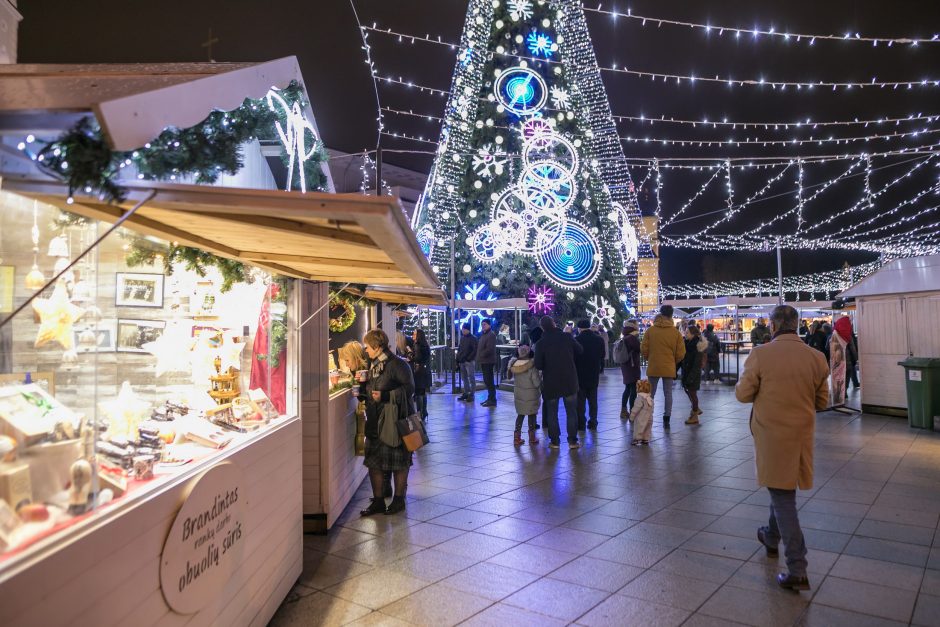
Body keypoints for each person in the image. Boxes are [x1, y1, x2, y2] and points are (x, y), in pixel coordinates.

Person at [735, 305, 829, 591]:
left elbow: (743, 394)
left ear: (773, 327)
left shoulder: (761, 355)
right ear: (797, 325)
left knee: (783, 496)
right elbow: (822, 402)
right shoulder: (816, 357)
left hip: (771, 436)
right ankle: (770, 536)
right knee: (782, 488)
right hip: (800, 436)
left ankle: (798, 567)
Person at [360, 329, 417, 517]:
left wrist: (385, 396)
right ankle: (378, 501)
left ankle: (399, 499)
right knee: (374, 462)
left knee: (399, 463)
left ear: (377, 347)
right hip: (375, 420)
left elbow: (409, 389)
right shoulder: (373, 364)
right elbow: (371, 387)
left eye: (367, 347)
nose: (365, 350)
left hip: (395, 422)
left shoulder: (398, 365)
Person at [533, 316, 584, 449]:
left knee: (552, 412)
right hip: (569, 380)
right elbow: (580, 351)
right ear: (554, 324)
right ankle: (572, 441)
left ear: (542, 328)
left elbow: (538, 364)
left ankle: (555, 441)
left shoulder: (540, 343)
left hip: (551, 382)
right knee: (571, 411)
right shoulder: (567, 337)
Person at [640, 304, 686, 429]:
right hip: (669, 366)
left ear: (660, 313)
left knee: (650, 393)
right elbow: (681, 353)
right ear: (671, 315)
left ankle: (648, 416)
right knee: (668, 394)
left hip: (654, 365)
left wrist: (649, 358)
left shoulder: (650, 330)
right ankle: (666, 419)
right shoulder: (675, 333)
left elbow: (644, 348)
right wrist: (673, 361)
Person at [574, 320, 605, 430]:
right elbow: (602, 355)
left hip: (580, 374)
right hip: (593, 373)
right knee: (593, 400)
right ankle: (593, 421)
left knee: (580, 401)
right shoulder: (598, 339)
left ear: (579, 328)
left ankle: (581, 423)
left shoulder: (576, 340)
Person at [507, 344, 540, 446]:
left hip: (519, 395)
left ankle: (517, 438)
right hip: (531, 395)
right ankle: (532, 437)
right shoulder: (532, 366)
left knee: (520, 415)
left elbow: (509, 377)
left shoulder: (514, 364)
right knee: (532, 415)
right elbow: (536, 382)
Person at [614, 321, 642, 419]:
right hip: (632, 366)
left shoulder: (625, 336)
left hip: (626, 366)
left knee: (627, 388)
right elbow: (640, 348)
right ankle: (632, 412)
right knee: (633, 389)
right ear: (633, 327)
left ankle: (623, 410)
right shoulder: (632, 338)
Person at [681, 325, 708, 425]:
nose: (685, 334)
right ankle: (695, 409)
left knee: (692, 392)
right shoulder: (688, 343)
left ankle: (694, 413)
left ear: (693, 334)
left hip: (693, 373)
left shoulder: (697, 345)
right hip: (688, 371)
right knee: (689, 391)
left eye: (687, 332)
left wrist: (691, 377)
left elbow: (696, 364)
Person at [833, 316, 860, 388]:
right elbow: (853, 349)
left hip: (836, 362)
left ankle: (839, 393)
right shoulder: (848, 336)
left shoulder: (833, 336)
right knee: (847, 377)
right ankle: (845, 393)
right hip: (848, 362)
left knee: (839, 378)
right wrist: (855, 359)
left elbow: (827, 347)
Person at [411, 328, 432, 420]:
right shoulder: (425, 345)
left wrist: (410, 355)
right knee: (423, 392)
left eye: (415, 334)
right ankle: (424, 411)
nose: (413, 335)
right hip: (426, 370)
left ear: (418, 336)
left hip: (419, 371)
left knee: (418, 392)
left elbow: (417, 358)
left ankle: (420, 413)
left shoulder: (417, 345)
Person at [477, 319, 498, 407]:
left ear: (489, 325)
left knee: (489, 380)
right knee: (487, 380)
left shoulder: (491, 335)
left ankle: (492, 399)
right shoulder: (484, 334)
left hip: (488, 361)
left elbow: (489, 349)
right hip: (484, 360)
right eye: (482, 324)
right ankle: (490, 398)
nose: (483, 326)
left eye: (484, 324)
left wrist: (481, 354)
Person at [455, 323, 477, 402]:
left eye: (464, 329)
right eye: (462, 329)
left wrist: (468, 359)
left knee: (471, 377)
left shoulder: (473, 338)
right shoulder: (462, 338)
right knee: (464, 378)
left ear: (468, 330)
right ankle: (466, 392)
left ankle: (472, 394)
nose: (463, 330)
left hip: (469, 361)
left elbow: (474, 350)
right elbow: (460, 349)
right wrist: (458, 359)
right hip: (462, 361)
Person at [629, 379, 653, 446]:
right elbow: (652, 408)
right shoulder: (650, 398)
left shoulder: (639, 398)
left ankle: (636, 439)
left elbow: (636, 409)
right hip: (649, 418)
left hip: (641, 418)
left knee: (639, 428)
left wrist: (632, 417)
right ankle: (645, 439)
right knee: (647, 428)